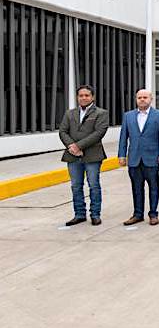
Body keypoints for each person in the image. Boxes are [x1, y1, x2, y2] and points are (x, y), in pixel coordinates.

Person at [58, 85, 109, 226]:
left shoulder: (101, 113)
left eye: (87, 95)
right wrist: (71, 146)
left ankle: (95, 214)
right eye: (81, 95)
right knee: (76, 186)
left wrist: (79, 146)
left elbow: (99, 132)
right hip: (72, 156)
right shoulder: (69, 113)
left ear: (92, 97)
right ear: (77, 97)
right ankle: (79, 214)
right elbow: (62, 131)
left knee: (93, 185)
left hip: (92, 155)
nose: (84, 98)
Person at [118, 89, 159, 226]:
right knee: (136, 188)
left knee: (154, 187)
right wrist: (122, 155)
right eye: (139, 97)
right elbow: (123, 137)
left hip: (152, 158)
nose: (142, 99)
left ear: (151, 99)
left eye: (145, 97)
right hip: (134, 159)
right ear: (136, 99)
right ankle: (137, 214)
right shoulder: (128, 116)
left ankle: (153, 214)